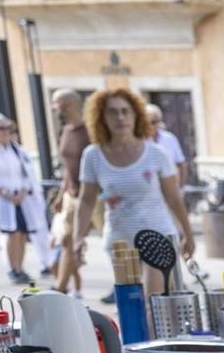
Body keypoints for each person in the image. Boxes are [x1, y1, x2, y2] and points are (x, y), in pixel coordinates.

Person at [70, 87, 193, 298]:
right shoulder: (93, 155)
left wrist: (188, 235)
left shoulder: (156, 153)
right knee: (131, 305)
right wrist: (78, 237)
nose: (120, 117)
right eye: (112, 112)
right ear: (101, 117)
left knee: (153, 303)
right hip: (120, 239)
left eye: (125, 111)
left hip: (157, 235)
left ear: (136, 115)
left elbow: (174, 198)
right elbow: (86, 200)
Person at [0, 113, 52, 285]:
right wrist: (7, 195)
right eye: (1, 129)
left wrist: (23, 192)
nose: (6, 132)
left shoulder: (15, 148)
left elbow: (25, 172)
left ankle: (20, 267)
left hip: (22, 198)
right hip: (3, 199)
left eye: (8, 128)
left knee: (22, 233)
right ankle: (12, 269)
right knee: (12, 232)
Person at [52, 87, 90, 290]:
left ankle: (122, 281)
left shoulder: (90, 130)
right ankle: (61, 286)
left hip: (94, 197)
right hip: (71, 194)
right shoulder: (65, 131)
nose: (53, 108)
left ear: (67, 105)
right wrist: (61, 194)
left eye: (56, 104)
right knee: (66, 240)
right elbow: (68, 167)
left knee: (111, 243)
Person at [147, 103, 189, 191]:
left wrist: (181, 187)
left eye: (153, 122)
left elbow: (181, 164)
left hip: (170, 189)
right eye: (146, 122)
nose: (150, 126)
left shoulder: (169, 139)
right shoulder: (138, 142)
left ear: (159, 122)